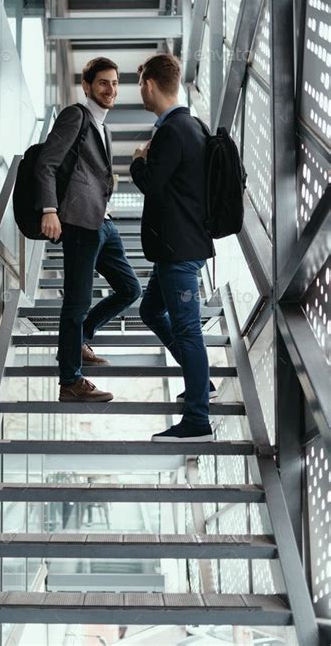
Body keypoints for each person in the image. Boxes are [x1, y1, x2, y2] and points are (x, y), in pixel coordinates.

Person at [35, 57, 142, 402]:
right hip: (79, 222)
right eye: (103, 83)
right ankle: (70, 381)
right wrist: (50, 209)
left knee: (129, 289)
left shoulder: (105, 128)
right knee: (77, 301)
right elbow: (47, 163)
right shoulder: (75, 116)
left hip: (104, 223)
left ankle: (80, 338)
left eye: (114, 83)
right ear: (87, 86)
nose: (110, 89)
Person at [130, 53, 216, 441]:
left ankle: (198, 417)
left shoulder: (171, 130)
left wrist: (138, 161)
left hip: (179, 252)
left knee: (187, 330)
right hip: (180, 247)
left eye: (139, 85)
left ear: (149, 84)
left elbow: (152, 184)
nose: (140, 92)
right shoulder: (193, 125)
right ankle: (201, 382)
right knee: (151, 310)